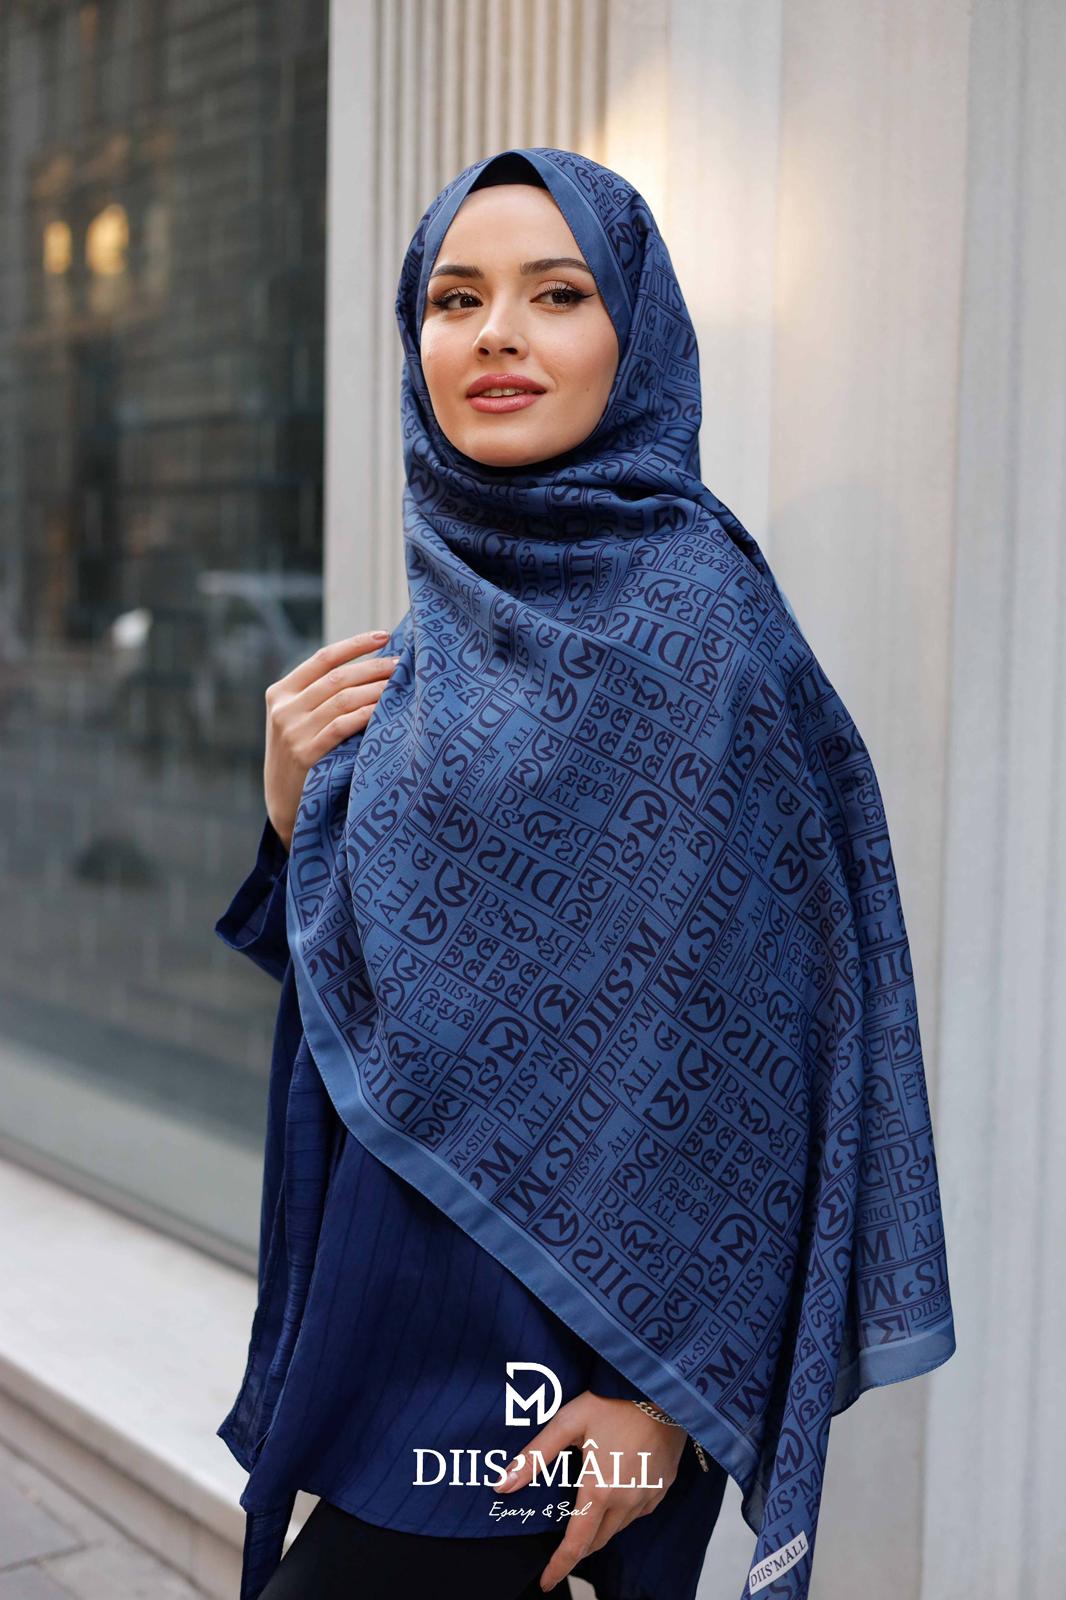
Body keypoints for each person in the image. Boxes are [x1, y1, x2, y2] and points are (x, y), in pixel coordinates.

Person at [215, 147, 955, 1600]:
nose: (495, 333)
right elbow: (397, 987)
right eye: (455, 299)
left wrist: (661, 1402)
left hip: (568, 1365)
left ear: (638, 337)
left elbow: (758, 1047)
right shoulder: (447, 615)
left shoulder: (701, 629)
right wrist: (294, 811)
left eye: (556, 295)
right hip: (393, 1304)